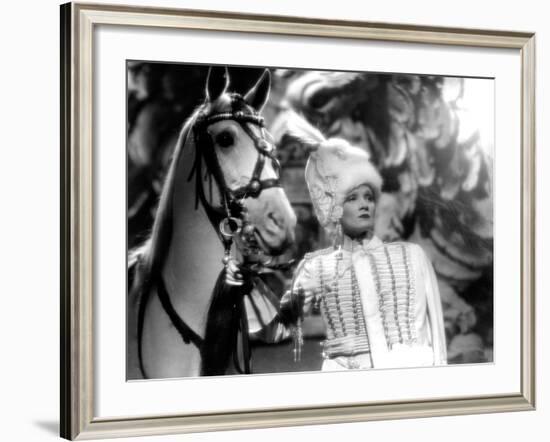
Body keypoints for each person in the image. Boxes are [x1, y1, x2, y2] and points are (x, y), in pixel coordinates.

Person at [227, 118, 447, 371]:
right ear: (333, 208)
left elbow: (437, 339)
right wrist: (248, 286)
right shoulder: (317, 269)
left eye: (369, 196)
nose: (365, 204)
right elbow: (275, 331)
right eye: (352, 198)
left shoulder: (411, 257)